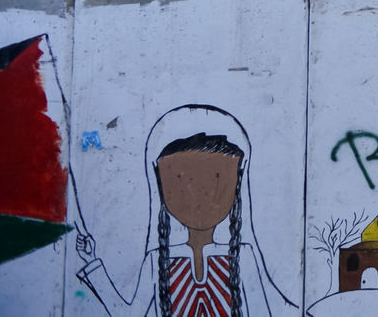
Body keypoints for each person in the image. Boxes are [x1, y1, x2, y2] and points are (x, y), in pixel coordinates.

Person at [74, 104, 297, 316]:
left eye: (216, 180)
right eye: (181, 181)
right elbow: (128, 313)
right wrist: (92, 262)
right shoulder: (156, 261)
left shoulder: (243, 257)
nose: (199, 195)